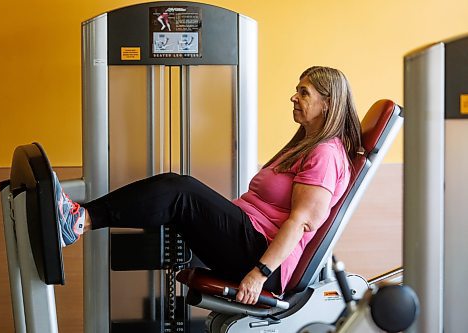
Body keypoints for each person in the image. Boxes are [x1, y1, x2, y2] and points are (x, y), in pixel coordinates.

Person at [54, 66, 362, 306]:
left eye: (304, 92)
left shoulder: (325, 154)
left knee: (180, 190)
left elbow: (301, 223)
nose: (294, 97)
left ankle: (79, 220)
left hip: (262, 255)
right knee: (174, 194)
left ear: (328, 103)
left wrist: (259, 274)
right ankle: (78, 218)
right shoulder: (306, 146)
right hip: (250, 240)